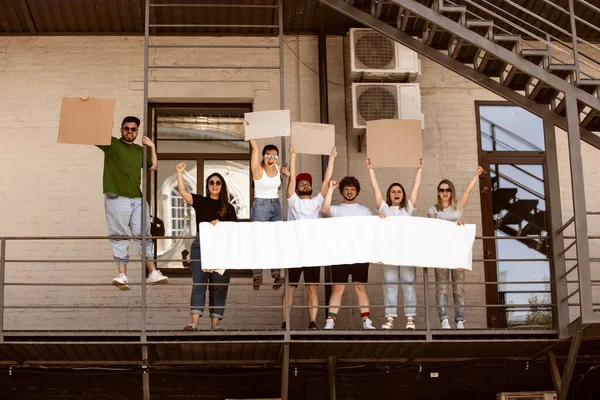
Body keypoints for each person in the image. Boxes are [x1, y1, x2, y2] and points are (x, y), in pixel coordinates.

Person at [97, 116, 168, 290]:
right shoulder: (112, 144)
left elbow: (153, 166)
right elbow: (95, 133)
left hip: (137, 198)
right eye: (126, 128)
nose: (130, 132)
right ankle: (122, 274)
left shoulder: (139, 150)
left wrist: (151, 146)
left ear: (137, 131)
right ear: (121, 129)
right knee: (119, 235)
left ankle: (152, 272)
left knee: (143, 234)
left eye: (133, 129)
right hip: (117, 198)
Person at [279, 145, 337, 330]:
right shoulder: (293, 200)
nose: (305, 184)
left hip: (312, 252)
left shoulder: (317, 201)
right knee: (290, 287)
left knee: (312, 287)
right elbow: (292, 180)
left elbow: (327, 180)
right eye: (302, 183)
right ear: (297, 187)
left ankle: (312, 322)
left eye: (308, 183)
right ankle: (285, 322)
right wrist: (293, 156)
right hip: (294, 251)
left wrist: (332, 157)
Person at [176, 163, 238, 331]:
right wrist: (179, 172)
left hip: (222, 248)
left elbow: (234, 231)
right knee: (199, 283)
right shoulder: (201, 201)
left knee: (219, 285)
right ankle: (194, 323)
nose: (215, 185)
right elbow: (183, 192)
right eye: (212, 182)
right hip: (201, 245)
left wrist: (219, 226)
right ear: (208, 186)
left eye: (218, 183)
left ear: (222, 186)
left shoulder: (229, 208)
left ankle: (215, 325)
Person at [366, 156, 424, 330]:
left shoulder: (408, 210)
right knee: (389, 285)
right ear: (389, 195)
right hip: (389, 253)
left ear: (403, 195)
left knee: (408, 284)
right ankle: (390, 318)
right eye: (393, 191)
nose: (397, 194)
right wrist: (370, 170)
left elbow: (416, 187)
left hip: (406, 253)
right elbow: (375, 188)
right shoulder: (384, 209)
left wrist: (419, 169)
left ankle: (410, 319)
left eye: (399, 191)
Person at [427, 166, 484, 330]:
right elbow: (434, 227)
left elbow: (467, 191)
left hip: (458, 252)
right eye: (441, 190)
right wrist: (455, 224)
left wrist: (475, 175)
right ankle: (444, 319)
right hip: (441, 253)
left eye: (447, 190)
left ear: (451, 192)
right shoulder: (433, 210)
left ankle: (460, 320)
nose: (444, 192)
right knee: (441, 287)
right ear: (438, 192)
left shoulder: (458, 207)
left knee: (458, 288)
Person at [321, 177, 375, 330]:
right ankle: (330, 321)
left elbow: (372, 230)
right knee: (338, 288)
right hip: (340, 254)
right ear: (342, 191)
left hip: (360, 255)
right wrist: (330, 189)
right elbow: (324, 210)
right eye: (346, 189)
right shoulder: (337, 209)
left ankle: (366, 321)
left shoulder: (365, 211)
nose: (349, 192)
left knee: (361, 288)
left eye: (352, 189)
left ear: (356, 191)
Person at [249, 137, 285, 291]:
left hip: (275, 204)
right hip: (261, 205)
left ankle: (276, 273)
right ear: (263, 156)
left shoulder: (278, 169)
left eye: (274, 156)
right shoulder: (258, 168)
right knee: (259, 238)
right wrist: (251, 135)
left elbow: (278, 186)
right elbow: (255, 150)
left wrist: (286, 173)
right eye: (268, 155)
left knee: (276, 238)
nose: (271, 159)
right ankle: (257, 274)